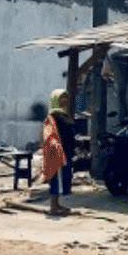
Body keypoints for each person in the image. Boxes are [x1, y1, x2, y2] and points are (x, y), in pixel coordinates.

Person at [40, 88, 76, 216]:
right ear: (56, 100)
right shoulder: (52, 117)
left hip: (66, 151)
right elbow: (48, 135)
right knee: (55, 179)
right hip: (57, 152)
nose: (65, 101)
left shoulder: (65, 115)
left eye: (66, 98)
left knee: (63, 179)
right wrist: (55, 148)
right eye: (62, 98)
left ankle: (57, 204)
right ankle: (53, 207)